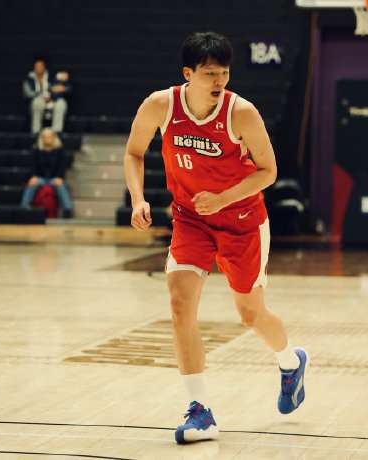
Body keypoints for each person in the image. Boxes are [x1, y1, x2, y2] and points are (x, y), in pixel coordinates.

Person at [124, 32, 308, 445]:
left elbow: (269, 172)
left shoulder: (241, 113)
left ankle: (290, 361)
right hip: (191, 219)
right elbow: (134, 152)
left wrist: (223, 198)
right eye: (210, 74)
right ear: (188, 74)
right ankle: (200, 410)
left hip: (242, 220)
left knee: (250, 314)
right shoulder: (160, 105)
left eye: (224, 73)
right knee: (180, 304)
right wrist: (138, 199)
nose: (219, 81)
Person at [20, 128, 73, 218]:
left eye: (49, 137)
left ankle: (67, 209)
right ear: (42, 138)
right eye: (45, 137)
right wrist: (34, 176)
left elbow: (62, 166)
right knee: (32, 183)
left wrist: (59, 177)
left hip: (54, 178)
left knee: (61, 186)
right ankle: (24, 207)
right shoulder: (36, 150)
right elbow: (33, 165)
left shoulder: (60, 151)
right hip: (41, 178)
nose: (47, 139)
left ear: (53, 138)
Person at [22, 57, 71, 134]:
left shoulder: (52, 76)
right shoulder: (28, 79)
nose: (39, 68)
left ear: (44, 67)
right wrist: (41, 96)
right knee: (37, 102)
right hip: (37, 101)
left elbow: (66, 87)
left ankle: (56, 132)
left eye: (40, 66)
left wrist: (61, 89)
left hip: (52, 100)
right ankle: (36, 132)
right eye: (37, 66)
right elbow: (28, 94)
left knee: (61, 103)